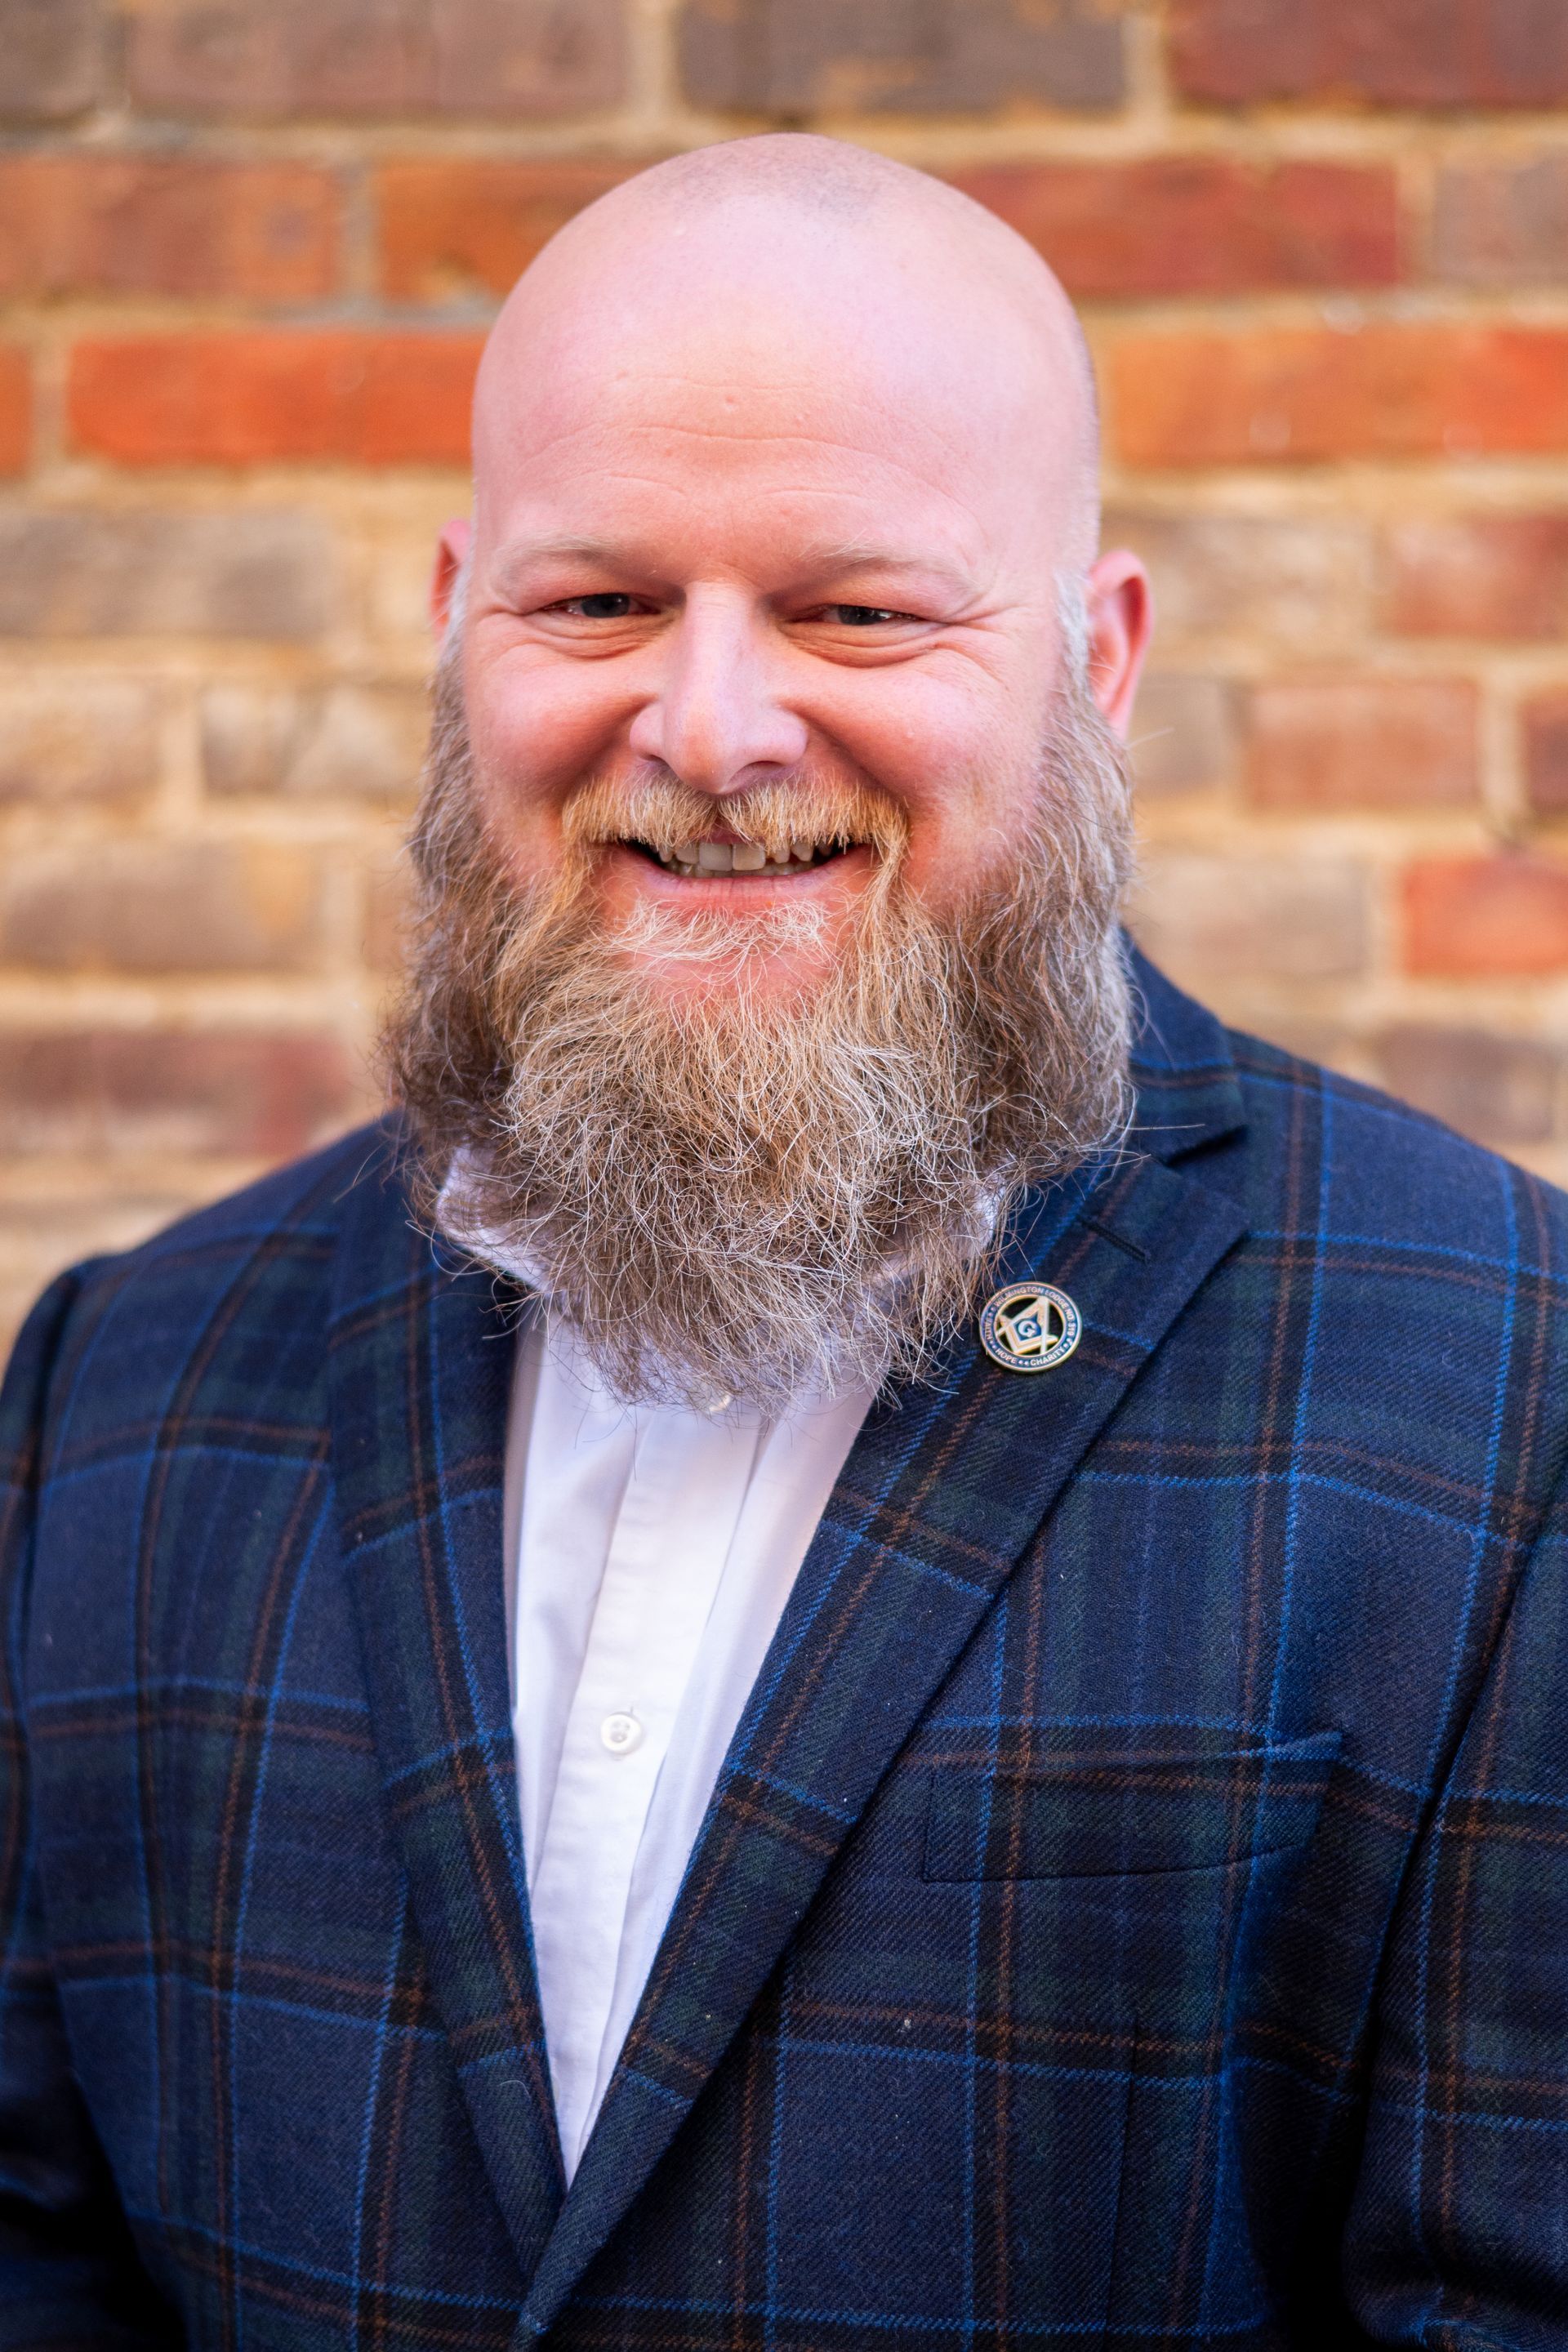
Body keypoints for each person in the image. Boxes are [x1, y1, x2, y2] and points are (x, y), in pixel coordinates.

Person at [1, 134, 1564, 2352]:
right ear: (463, 624)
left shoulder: (1511, 1403)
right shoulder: (115, 1392)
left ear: (1096, 659)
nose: (715, 729)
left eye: (856, 610)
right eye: (598, 602)